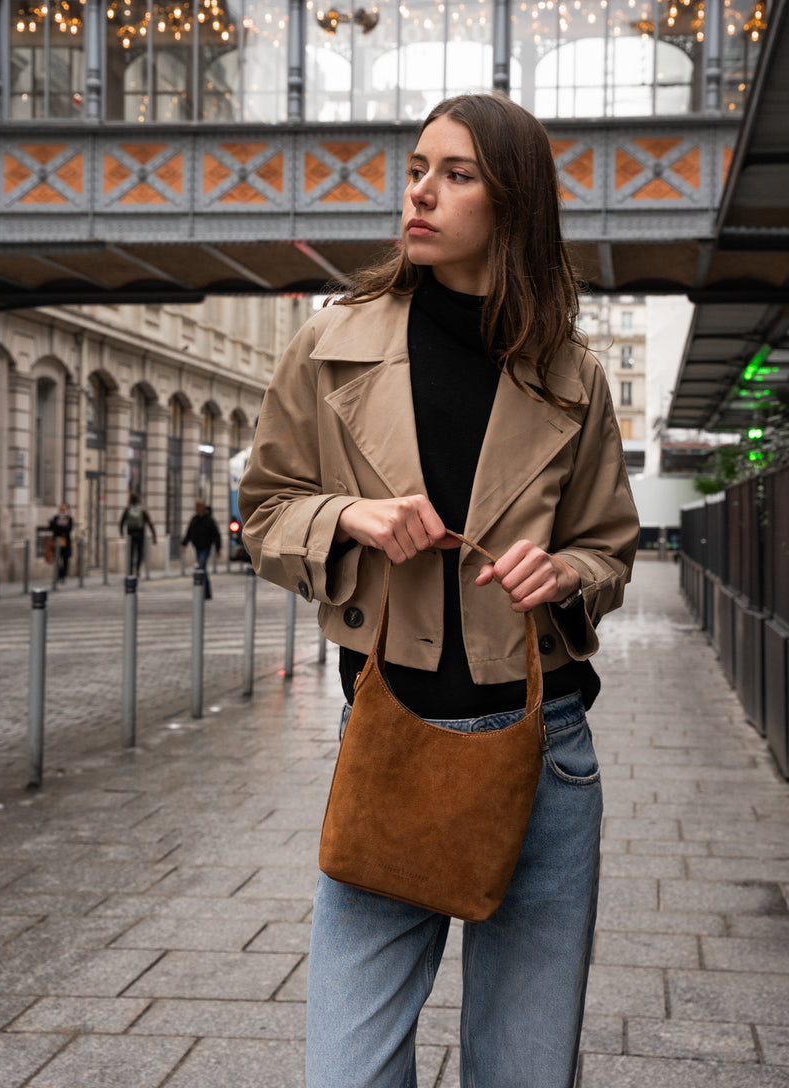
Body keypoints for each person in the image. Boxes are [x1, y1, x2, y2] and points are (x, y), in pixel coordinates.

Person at [238, 93, 639, 1088]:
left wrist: (564, 573)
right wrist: (349, 520)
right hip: (388, 736)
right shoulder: (329, 348)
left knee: (523, 1070)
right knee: (348, 1070)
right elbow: (265, 510)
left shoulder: (571, 377)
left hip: (543, 758)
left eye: (456, 174)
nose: (420, 191)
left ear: (512, 207)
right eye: (417, 166)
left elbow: (606, 548)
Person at [180, 500, 221, 599]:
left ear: (202, 507)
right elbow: (189, 532)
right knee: (202, 569)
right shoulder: (195, 519)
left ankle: (200, 590)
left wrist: (217, 549)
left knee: (200, 568)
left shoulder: (209, 520)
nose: (196, 509)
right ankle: (206, 592)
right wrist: (184, 543)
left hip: (206, 548)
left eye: (198, 506)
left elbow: (216, 535)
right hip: (198, 547)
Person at [119, 491, 157, 577]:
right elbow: (150, 523)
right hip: (140, 533)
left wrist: (121, 533)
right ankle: (138, 570)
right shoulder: (142, 510)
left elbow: (121, 522)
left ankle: (130, 571)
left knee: (130, 552)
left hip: (130, 534)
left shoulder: (127, 509)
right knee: (140, 552)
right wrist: (154, 534)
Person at [48, 502, 73, 584]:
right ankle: (58, 575)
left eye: (64, 509)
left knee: (65, 560)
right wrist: (60, 527)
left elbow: (68, 529)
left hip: (66, 543)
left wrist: (58, 527)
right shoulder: (56, 518)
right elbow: (52, 527)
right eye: (61, 509)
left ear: (67, 510)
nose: (62, 511)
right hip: (57, 542)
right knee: (57, 560)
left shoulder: (69, 519)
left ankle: (63, 576)